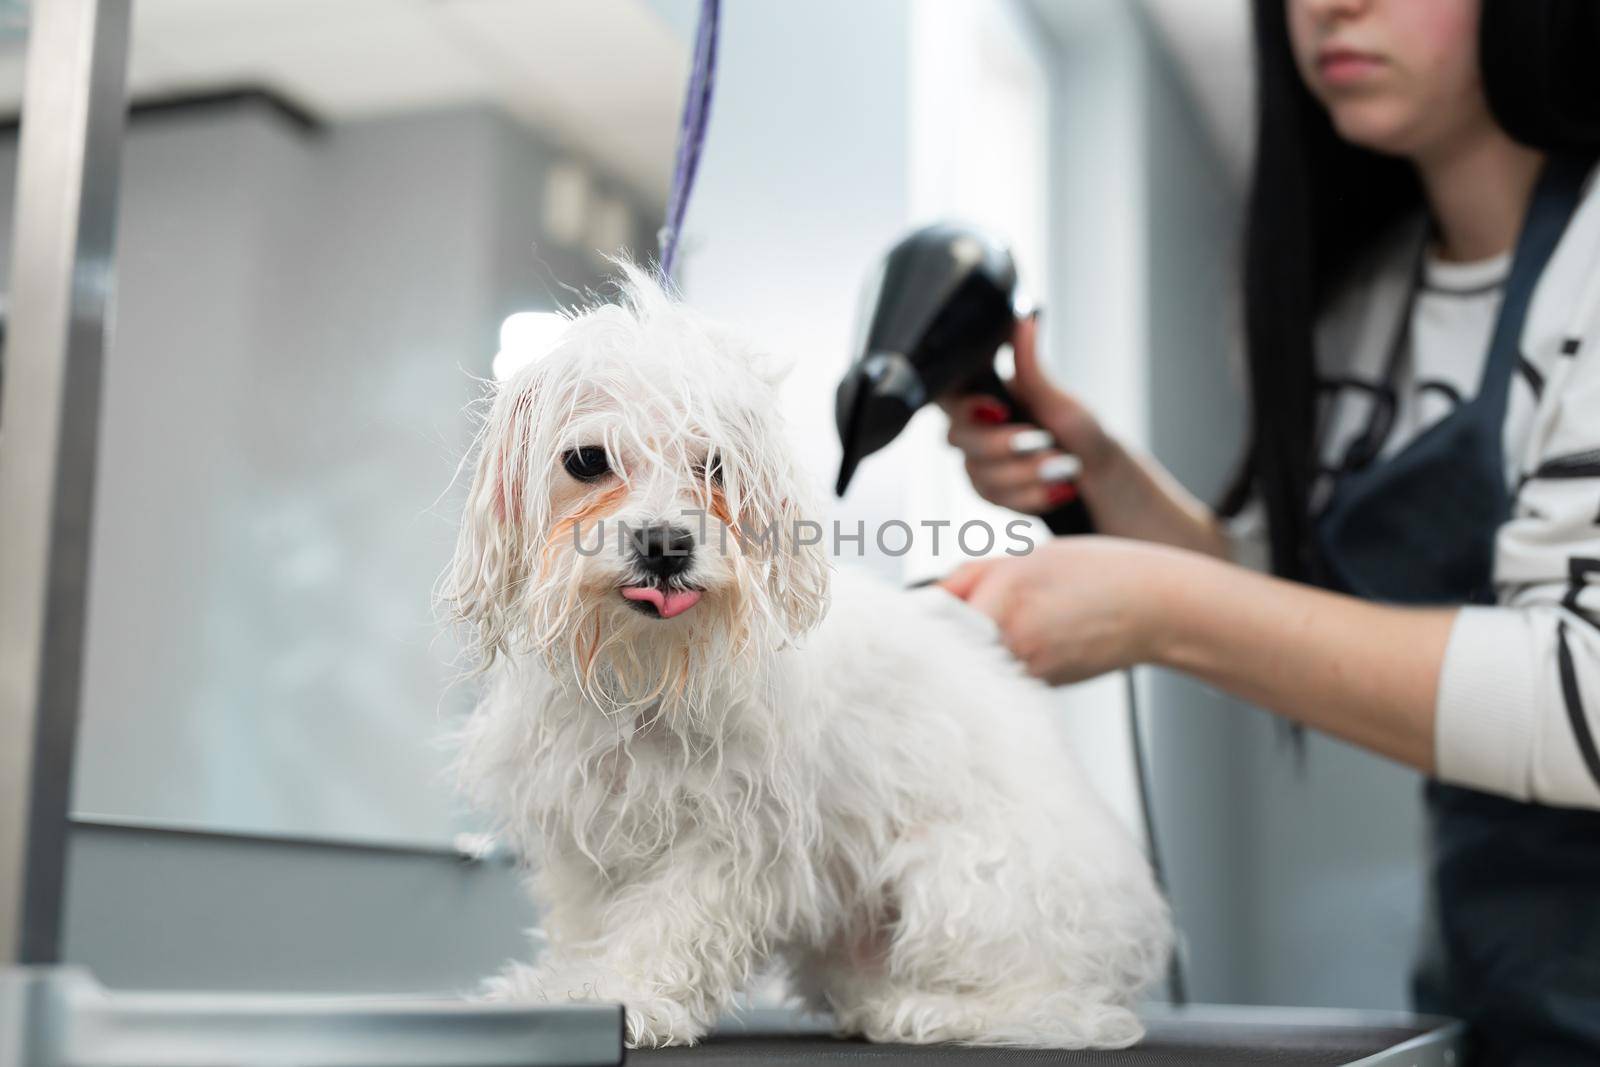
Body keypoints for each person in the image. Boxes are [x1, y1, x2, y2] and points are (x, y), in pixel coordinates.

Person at [937, 1, 1600, 1063]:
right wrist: (1104, 476)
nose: (1332, 4)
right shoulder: (1365, 301)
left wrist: (1158, 607)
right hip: (1498, 988)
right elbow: (1323, 607)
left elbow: (1585, 692)